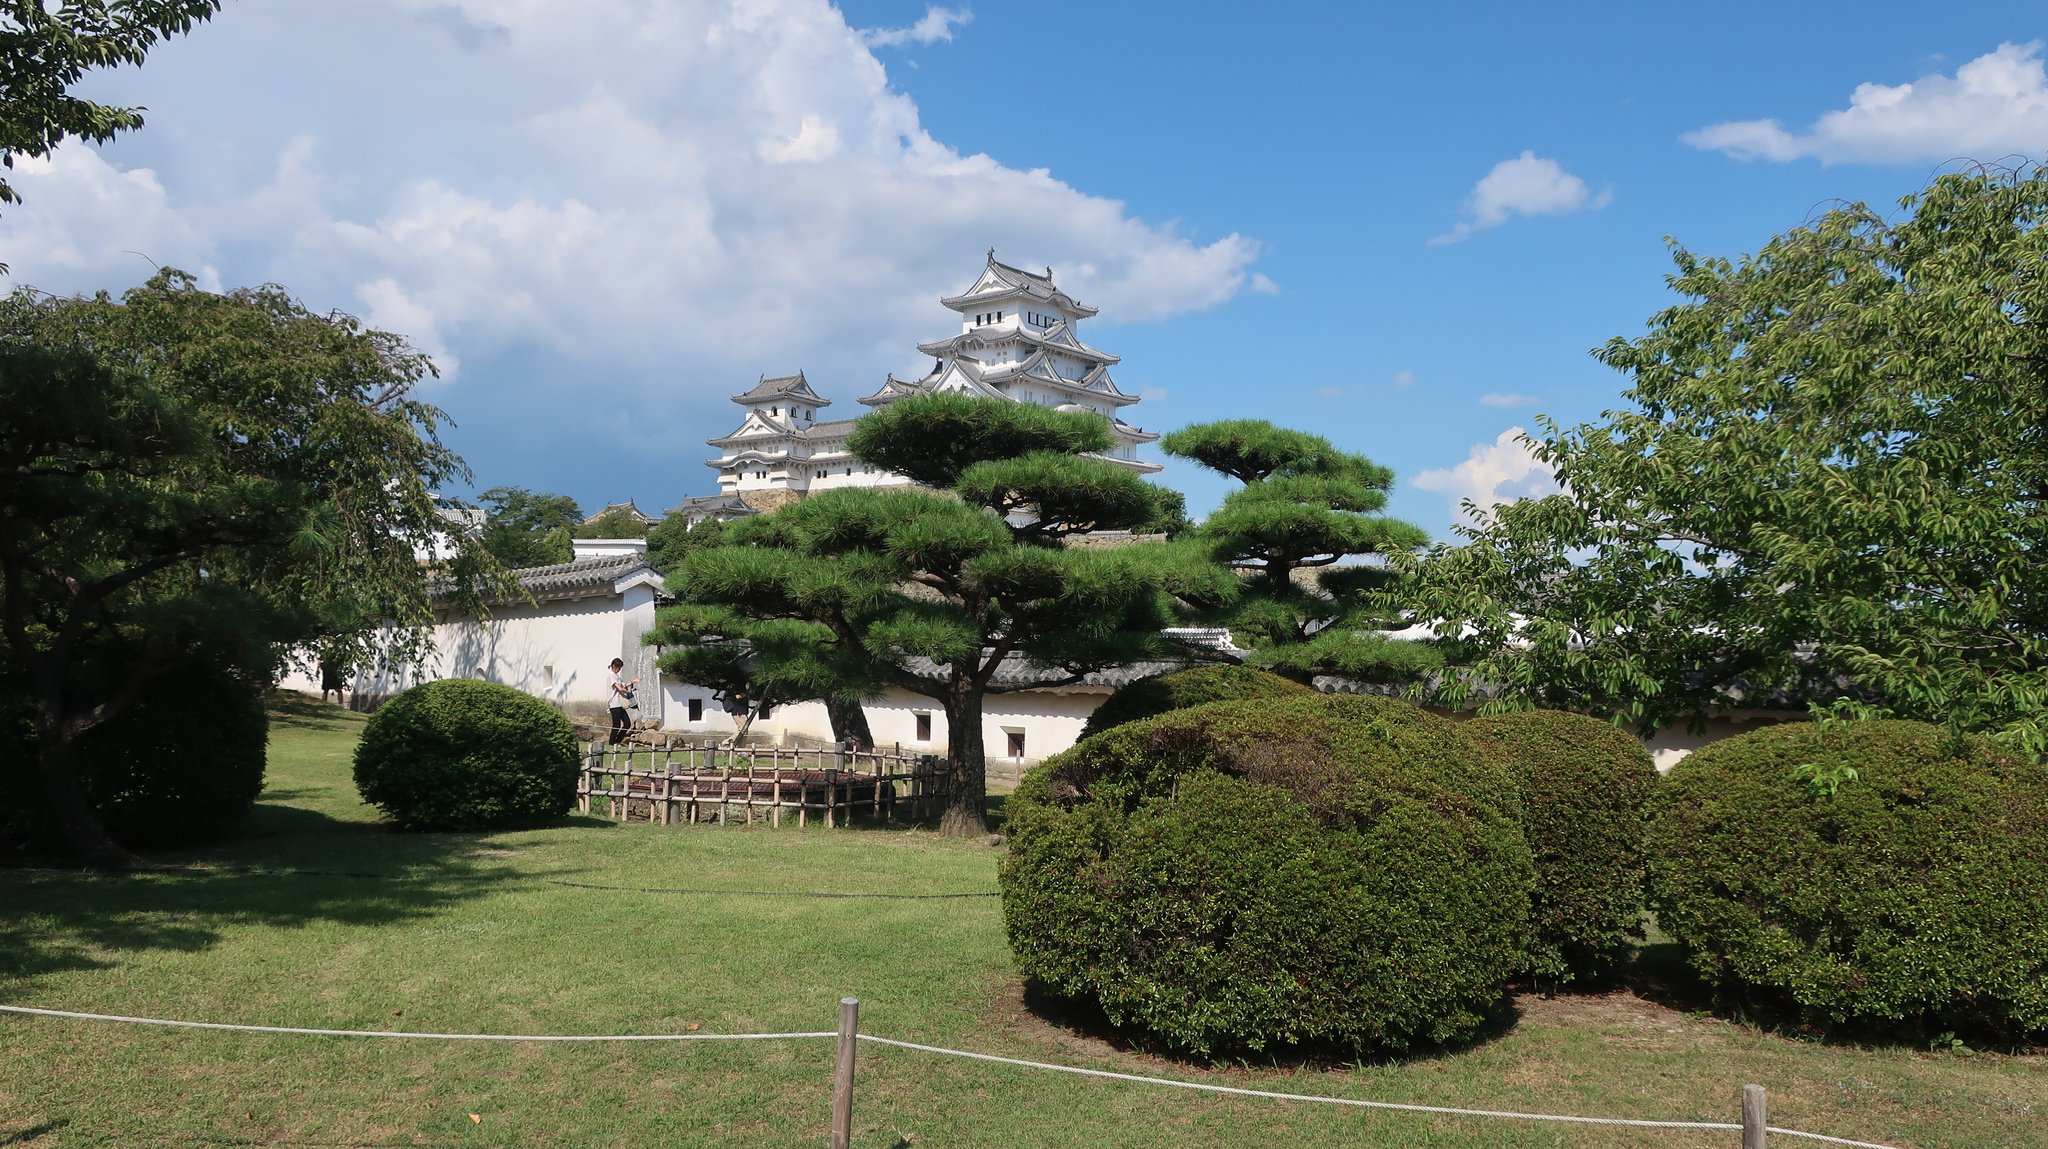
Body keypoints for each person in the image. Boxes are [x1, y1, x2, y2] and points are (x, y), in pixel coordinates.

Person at [607, 658, 640, 745]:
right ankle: (612, 743)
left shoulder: (617, 676)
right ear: (614, 666)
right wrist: (629, 693)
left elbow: (624, 685)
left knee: (627, 724)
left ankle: (617, 741)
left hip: (620, 704)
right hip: (614, 704)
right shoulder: (611, 676)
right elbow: (620, 688)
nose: (619, 669)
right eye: (618, 667)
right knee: (616, 725)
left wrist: (633, 681)